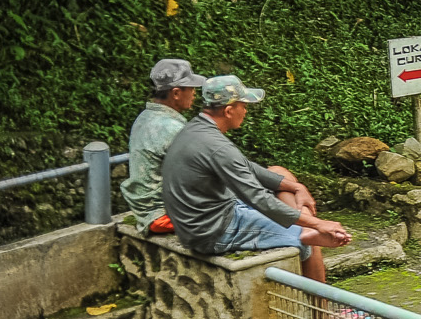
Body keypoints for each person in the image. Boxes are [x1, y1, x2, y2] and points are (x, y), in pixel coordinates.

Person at [160, 75, 351, 285]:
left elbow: (247, 167)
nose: (246, 110)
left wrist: (296, 187)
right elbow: (257, 198)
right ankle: (323, 313)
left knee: (282, 176)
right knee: (310, 239)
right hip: (211, 231)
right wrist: (319, 223)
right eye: (243, 105)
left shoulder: (197, 129)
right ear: (228, 110)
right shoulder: (217, 146)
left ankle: (302, 229)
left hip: (208, 214)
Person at [123, 58, 207, 228]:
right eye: (191, 88)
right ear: (176, 93)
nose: (194, 93)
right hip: (163, 214)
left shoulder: (145, 117)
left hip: (145, 210)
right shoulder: (171, 128)